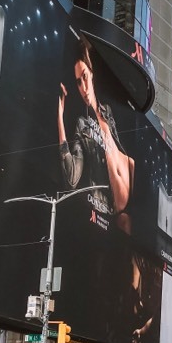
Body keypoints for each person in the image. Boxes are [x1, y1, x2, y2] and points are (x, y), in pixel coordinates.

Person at [58, 34, 134, 232]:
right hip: (110, 215)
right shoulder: (82, 125)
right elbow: (72, 179)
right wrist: (60, 117)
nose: (83, 88)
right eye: (77, 82)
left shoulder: (108, 112)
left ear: (91, 73)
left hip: (131, 206)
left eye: (84, 77)